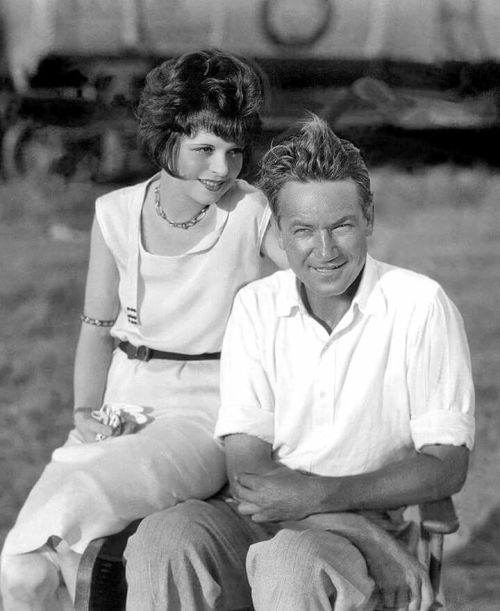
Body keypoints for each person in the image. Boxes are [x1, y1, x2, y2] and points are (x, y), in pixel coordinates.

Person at [124, 115, 475, 611]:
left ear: (369, 220)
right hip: (265, 514)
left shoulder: (420, 304)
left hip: (359, 524)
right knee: (162, 537)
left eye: (342, 226)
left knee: (290, 561)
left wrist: (332, 507)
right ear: (280, 233)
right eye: (304, 230)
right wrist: (344, 523)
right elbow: (248, 473)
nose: (325, 251)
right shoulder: (256, 306)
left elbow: (447, 467)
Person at [0, 48, 286, 611]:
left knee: (77, 497)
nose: (221, 169)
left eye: (233, 152)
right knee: (22, 566)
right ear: (166, 140)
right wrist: (86, 411)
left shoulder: (249, 211)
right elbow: (95, 326)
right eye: (204, 149)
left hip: (210, 413)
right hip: (124, 404)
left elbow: (312, 268)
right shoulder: (115, 212)